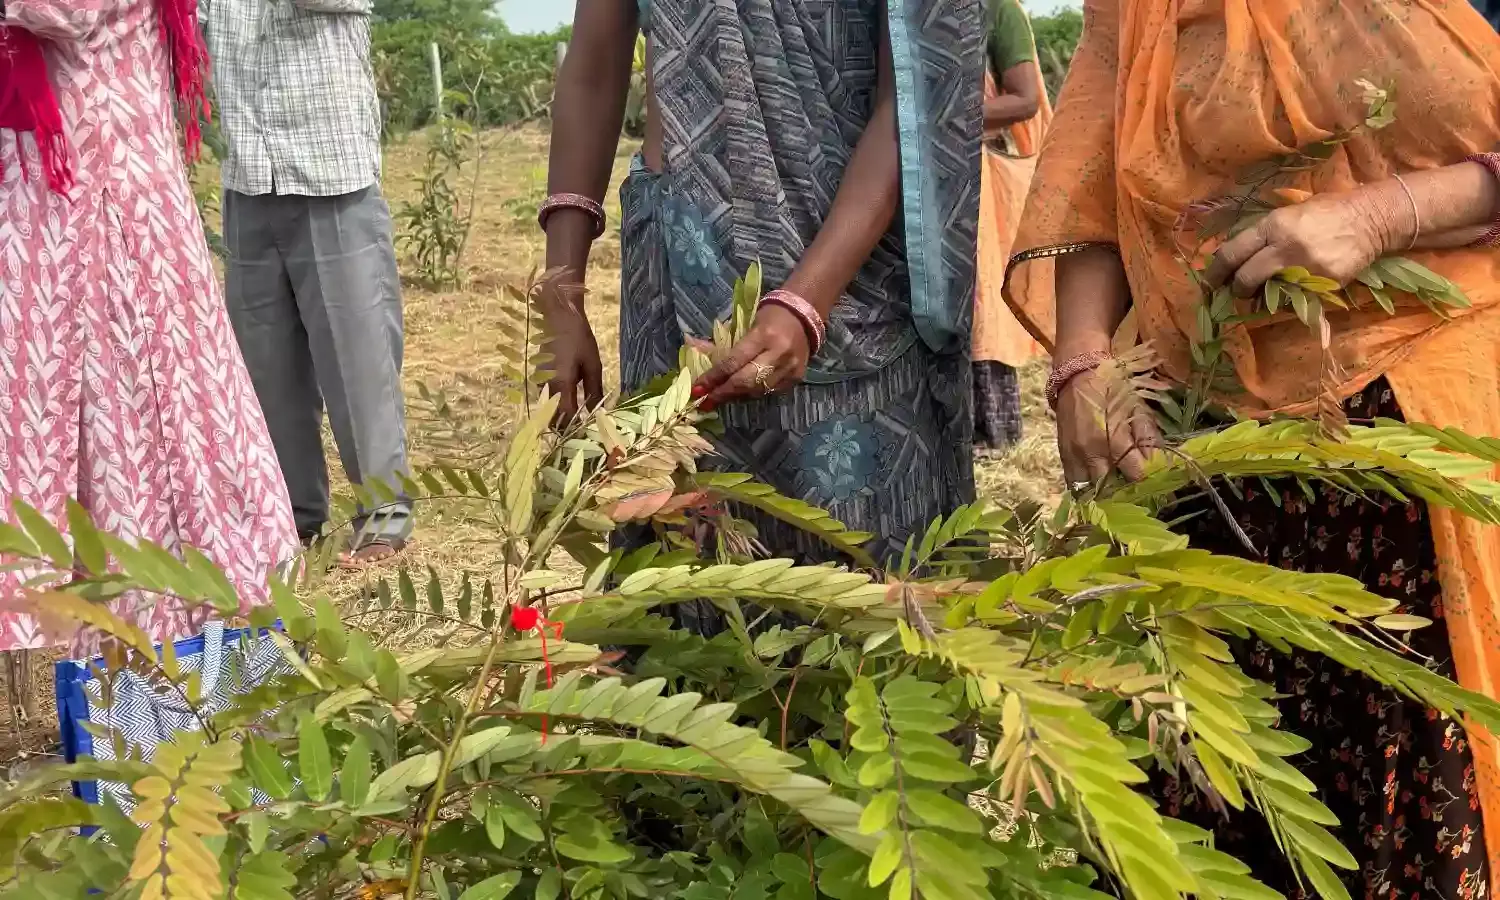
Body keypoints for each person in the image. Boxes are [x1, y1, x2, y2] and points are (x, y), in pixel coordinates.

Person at [1004, 0, 1500, 893]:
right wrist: (1082, 360)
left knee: (1411, 775)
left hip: (1421, 427)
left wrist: (1386, 215)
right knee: (1211, 778)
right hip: (1197, 427)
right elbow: (1096, 154)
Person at [541, 1, 982, 583]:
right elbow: (594, 66)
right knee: (687, 577)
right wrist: (559, 294)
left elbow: (918, 91)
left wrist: (808, 298)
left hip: (857, 285)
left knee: (867, 595)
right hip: (679, 276)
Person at [0, 0, 298, 646]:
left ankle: (178, 670)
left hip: (114, 229)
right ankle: (135, 679)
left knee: (145, 447)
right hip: (69, 228)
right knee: (105, 457)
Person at [202, 0, 412, 565]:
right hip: (247, 169)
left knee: (358, 352)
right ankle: (289, 517)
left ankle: (384, 513)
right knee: (264, 363)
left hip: (329, 162)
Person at [972, 0, 1051, 450]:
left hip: (972, 173)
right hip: (909, 170)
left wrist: (942, 118)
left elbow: (1025, 99)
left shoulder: (998, 9)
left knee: (979, 300)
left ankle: (992, 435)